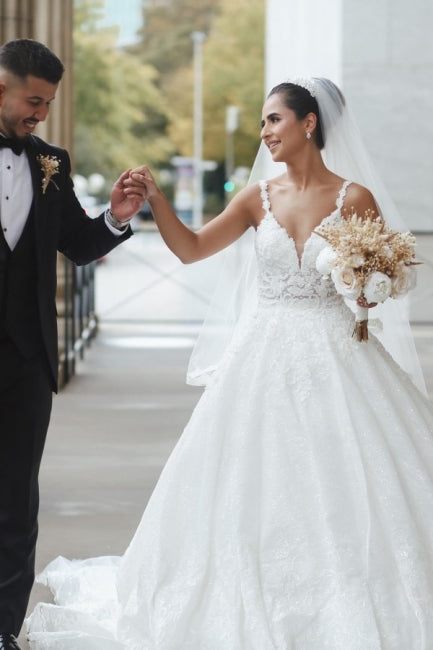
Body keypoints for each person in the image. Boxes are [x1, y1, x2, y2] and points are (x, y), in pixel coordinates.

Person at [27, 78, 433, 649]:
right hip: (260, 357)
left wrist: (369, 288)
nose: (264, 133)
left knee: (350, 478)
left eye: (274, 120)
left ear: (309, 123)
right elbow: (192, 249)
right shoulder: (256, 198)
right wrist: (158, 204)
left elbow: (378, 280)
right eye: (263, 123)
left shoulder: (354, 199)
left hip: (338, 356)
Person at [0, 38, 147, 650]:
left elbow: (79, 246)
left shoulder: (50, 161)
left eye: (48, 104)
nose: (40, 115)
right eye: (33, 101)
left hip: (26, 359)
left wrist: (115, 217)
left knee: (16, 499)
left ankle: (4, 628)